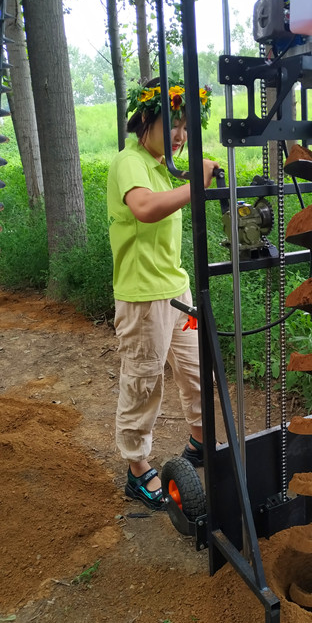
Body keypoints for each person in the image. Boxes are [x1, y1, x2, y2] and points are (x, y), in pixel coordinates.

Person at [106, 76, 219, 510]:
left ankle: (198, 442)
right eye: (174, 122)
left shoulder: (166, 166)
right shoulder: (129, 161)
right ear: (147, 117)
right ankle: (137, 468)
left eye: (187, 127)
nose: (180, 135)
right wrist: (197, 184)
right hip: (142, 300)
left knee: (196, 370)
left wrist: (194, 173)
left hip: (178, 292)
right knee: (143, 382)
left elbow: (171, 192)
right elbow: (146, 208)